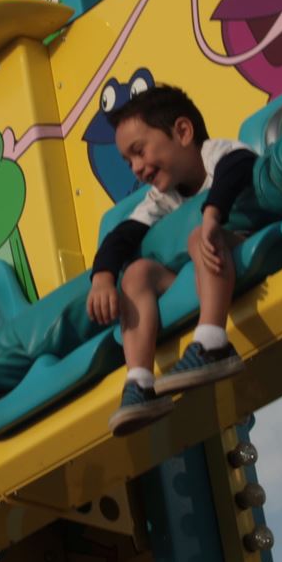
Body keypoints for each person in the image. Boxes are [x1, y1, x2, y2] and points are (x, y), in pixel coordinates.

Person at [87, 82, 250, 436]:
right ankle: (140, 382)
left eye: (139, 151)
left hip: (238, 243)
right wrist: (102, 277)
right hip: (202, 266)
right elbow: (123, 235)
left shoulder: (215, 154)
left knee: (197, 234)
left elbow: (240, 164)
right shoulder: (161, 198)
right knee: (137, 273)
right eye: (128, 161)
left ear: (182, 131)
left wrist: (211, 215)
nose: (136, 167)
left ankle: (212, 343)